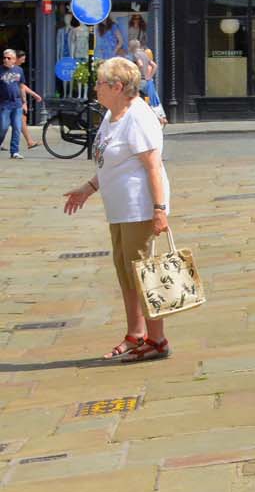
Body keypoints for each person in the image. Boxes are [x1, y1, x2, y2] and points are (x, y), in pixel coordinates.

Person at [59, 57, 173, 362]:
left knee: (142, 273)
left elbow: (153, 165)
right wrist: (89, 188)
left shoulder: (138, 116)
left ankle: (157, 340)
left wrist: (160, 209)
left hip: (139, 207)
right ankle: (136, 334)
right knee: (125, 270)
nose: (95, 88)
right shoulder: (113, 115)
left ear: (117, 86)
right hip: (120, 208)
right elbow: (112, 162)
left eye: (99, 83)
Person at [1, 48, 42, 158]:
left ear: (14, 59)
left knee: (17, 128)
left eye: (8, 58)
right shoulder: (0, 70)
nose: (5, 60)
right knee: (3, 127)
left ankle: (14, 151)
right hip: (4, 104)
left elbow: (21, 86)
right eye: (4, 58)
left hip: (17, 104)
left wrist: (24, 102)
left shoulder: (19, 70)